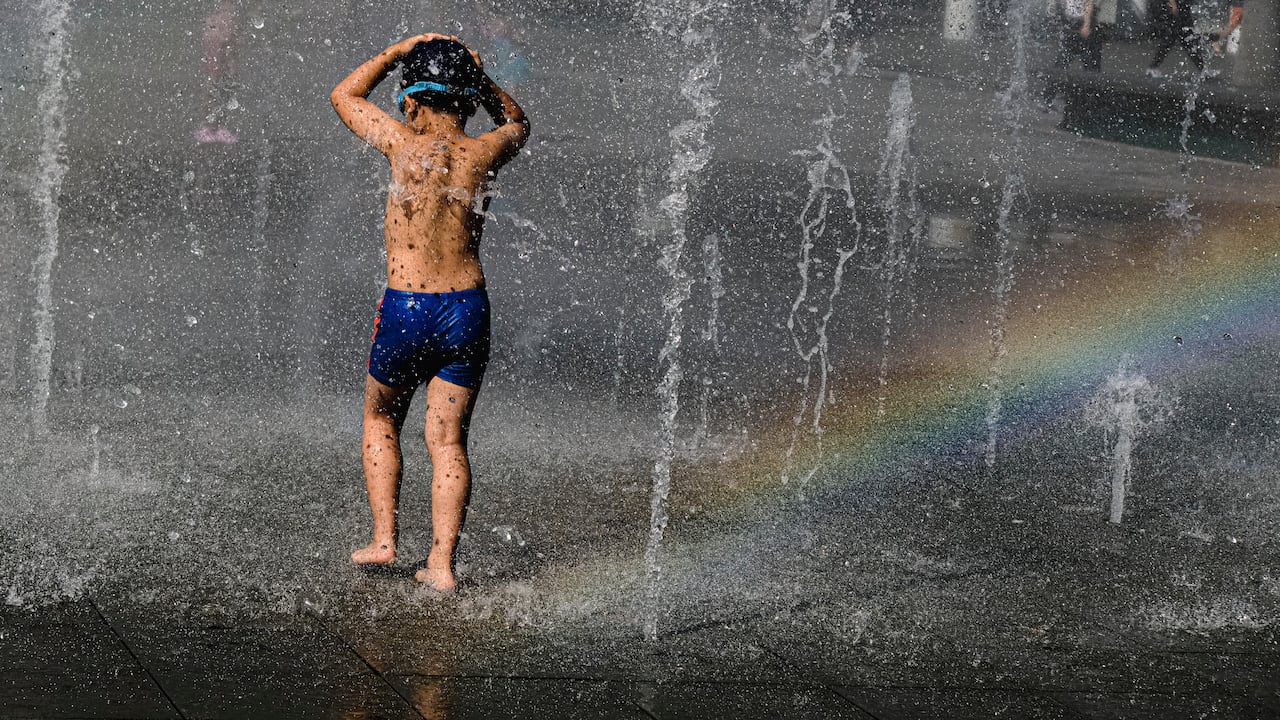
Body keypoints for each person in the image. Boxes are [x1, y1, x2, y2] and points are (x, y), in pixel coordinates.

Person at [330, 34, 530, 592]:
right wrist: (481, 77)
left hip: (406, 306)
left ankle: (385, 538)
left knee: (379, 418)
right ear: (465, 100)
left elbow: (343, 96)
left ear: (411, 102)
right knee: (446, 441)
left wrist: (397, 51)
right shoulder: (483, 153)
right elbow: (518, 124)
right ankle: (441, 564)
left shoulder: (400, 144)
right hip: (466, 308)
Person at [1042, 0, 1099, 107]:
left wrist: (1086, 25)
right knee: (1061, 65)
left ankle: (1091, 100)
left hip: (1081, 29)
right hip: (1071, 28)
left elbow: (1088, 4)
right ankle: (1048, 98)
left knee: (1090, 68)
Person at [1146, 0, 1207, 77]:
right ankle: (1152, 67)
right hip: (1174, 8)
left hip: (1180, 8)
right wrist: (1174, 5)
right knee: (1174, 39)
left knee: (1186, 39)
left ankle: (1202, 69)